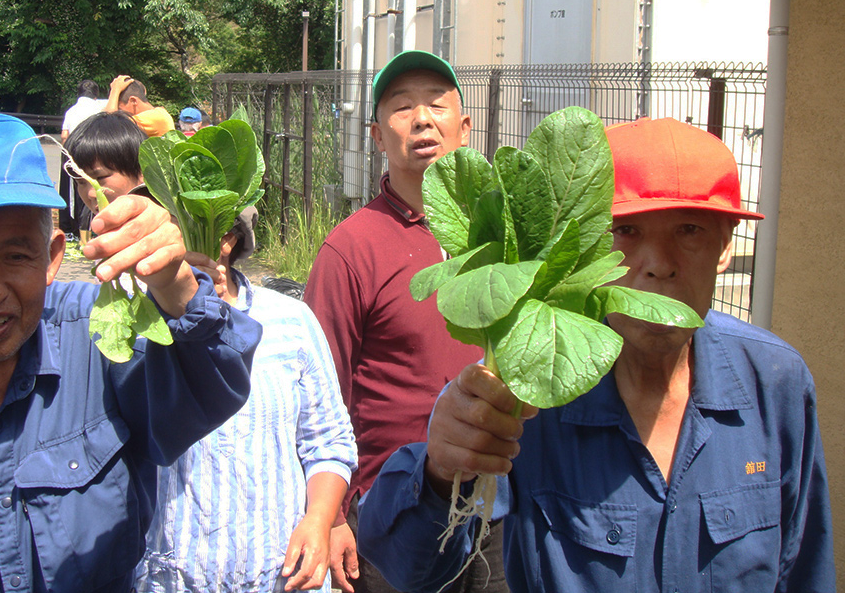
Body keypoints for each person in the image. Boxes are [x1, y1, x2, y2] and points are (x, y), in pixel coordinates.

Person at [356, 117, 836, 592]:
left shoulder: (775, 382)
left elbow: (804, 565)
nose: (659, 265)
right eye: (626, 232)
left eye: (689, 230)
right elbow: (412, 567)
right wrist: (442, 473)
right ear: (588, 243)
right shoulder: (534, 389)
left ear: (725, 246)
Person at [0, 109, 262, 592]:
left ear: (52, 257)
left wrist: (178, 287)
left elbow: (216, 385)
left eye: (17, 255)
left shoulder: (103, 336)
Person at [304, 51, 508, 593]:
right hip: (394, 512)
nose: (422, 118)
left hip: (502, 507)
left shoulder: (500, 236)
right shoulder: (351, 248)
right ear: (376, 134)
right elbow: (319, 394)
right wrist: (336, 513)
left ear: (464, 127)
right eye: (401, 107)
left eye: (437, 105)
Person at [137, 207, 358, 593]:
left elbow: (329, 441)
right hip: (172, 579)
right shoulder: (138, 324)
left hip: (280, 577)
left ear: (227, 238)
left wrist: (319, 521)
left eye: (177, 224)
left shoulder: (291, 320)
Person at [64, 111, 149, 214]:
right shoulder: (94, 224)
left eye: (100, 178)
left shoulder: (167, 223)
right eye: (81, 182)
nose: (91, 194)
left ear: (141, 171)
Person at [59, 79, 108, 236]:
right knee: (94, 193)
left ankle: (73, 231)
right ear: (96, 95)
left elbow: (64, 136)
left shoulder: (71, 111)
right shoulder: (100, 108)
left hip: (72, 155)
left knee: (77, 195)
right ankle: (90, 233)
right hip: (96, 156)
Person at [105, 74, 175, 137]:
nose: (118, 112)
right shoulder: (158, 113)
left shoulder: (154, 117)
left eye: (119, 108)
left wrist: (115, 90)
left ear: (133, 101)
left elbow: (107, 125)